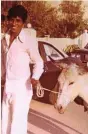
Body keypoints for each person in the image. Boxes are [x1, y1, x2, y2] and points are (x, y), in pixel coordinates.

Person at [1, 5, 44, 134]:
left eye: (18, 20)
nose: (14, 23)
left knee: (17, 124)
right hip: (8, 87)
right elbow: (2, 63)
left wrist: (35, 78)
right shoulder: (4, 39)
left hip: (22, 88)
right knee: (4, 122)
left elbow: (39, 62)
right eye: (11, 20)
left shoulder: (28, 41)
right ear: (8, 20)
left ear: (23, 23)